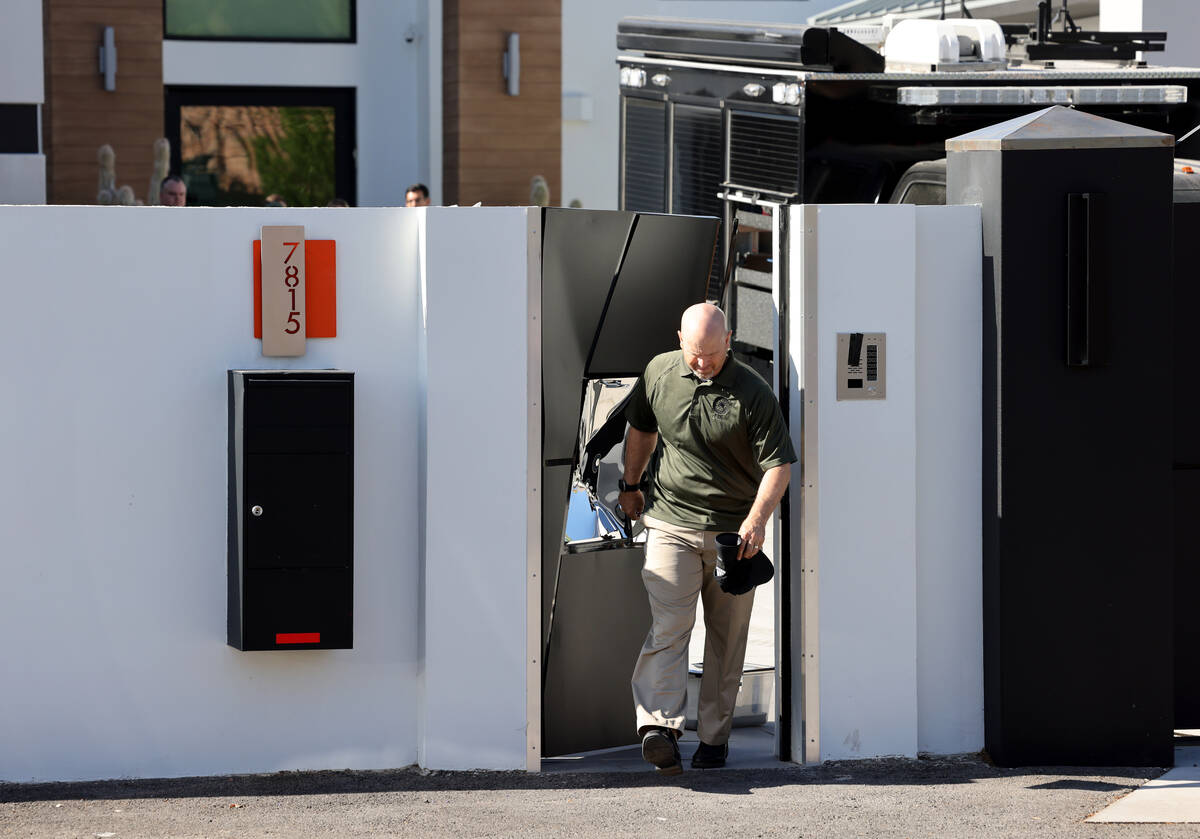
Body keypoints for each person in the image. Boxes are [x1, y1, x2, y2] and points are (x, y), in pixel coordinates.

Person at [620, 302, 796, 775]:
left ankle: (714, 739)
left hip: (732, 537)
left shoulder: (752, 393)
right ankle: (659, 728)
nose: (702, 364)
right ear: (680, 338)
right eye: (695, 354)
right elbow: (641, 428)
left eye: (712, 356)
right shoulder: (659, 371)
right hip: (670, 523)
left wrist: (757, 522)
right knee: (669, 629)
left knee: (726, 640)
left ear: (730, 340)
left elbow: (779, 464)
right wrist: (631, 486)